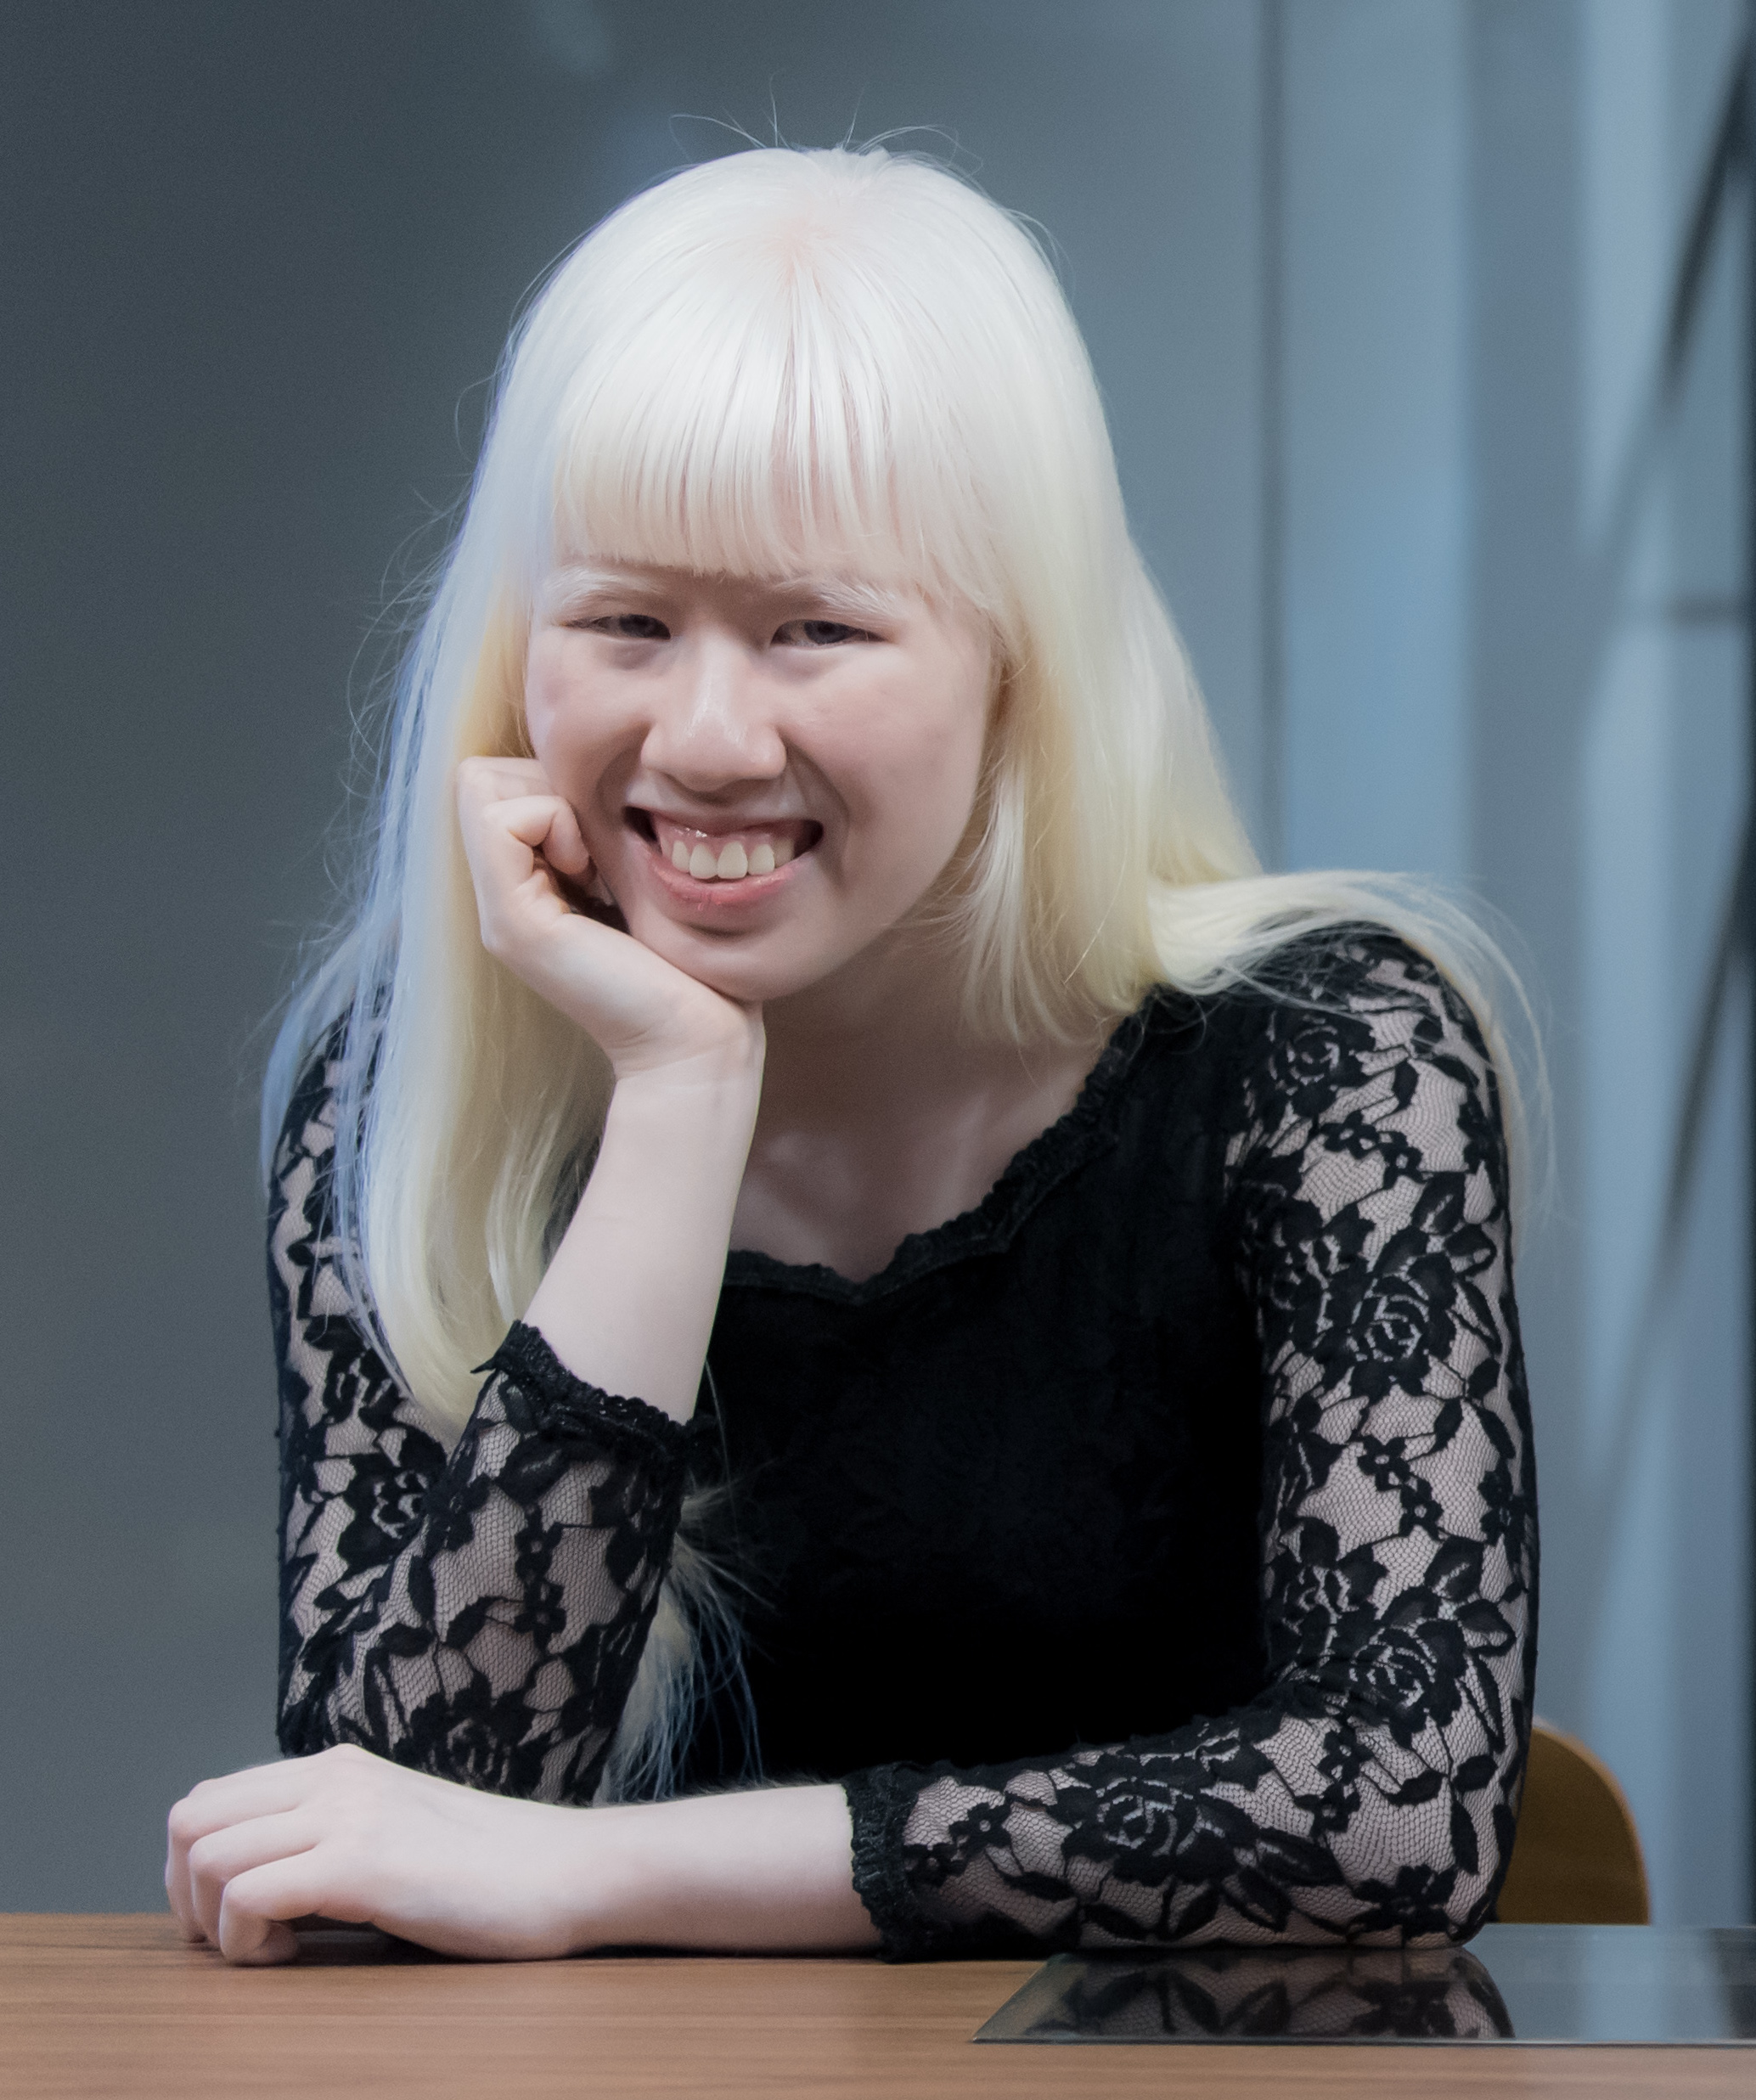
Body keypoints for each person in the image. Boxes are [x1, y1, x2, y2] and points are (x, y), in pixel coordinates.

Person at [165, 144, 1538, 1968]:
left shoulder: (1330, 1059)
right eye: (621, 622)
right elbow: (392, 1840)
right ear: (516, 655)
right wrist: (673, 1100)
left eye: (816, 627)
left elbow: (1396, 1803)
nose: (709, 734)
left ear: (1009, 665)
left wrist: (603, 1876)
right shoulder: (406, 1079)